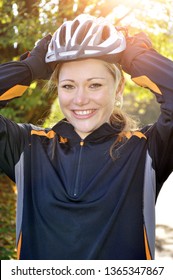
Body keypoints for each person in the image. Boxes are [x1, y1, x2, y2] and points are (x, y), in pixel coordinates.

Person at [0, 14, 173, 260]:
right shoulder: (26, 146)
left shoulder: (148, 149)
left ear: (119, 87)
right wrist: (29, 67)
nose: (80, 99)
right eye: (68, 86)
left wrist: (137, 58)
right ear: (56, 87)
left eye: (95, 85)